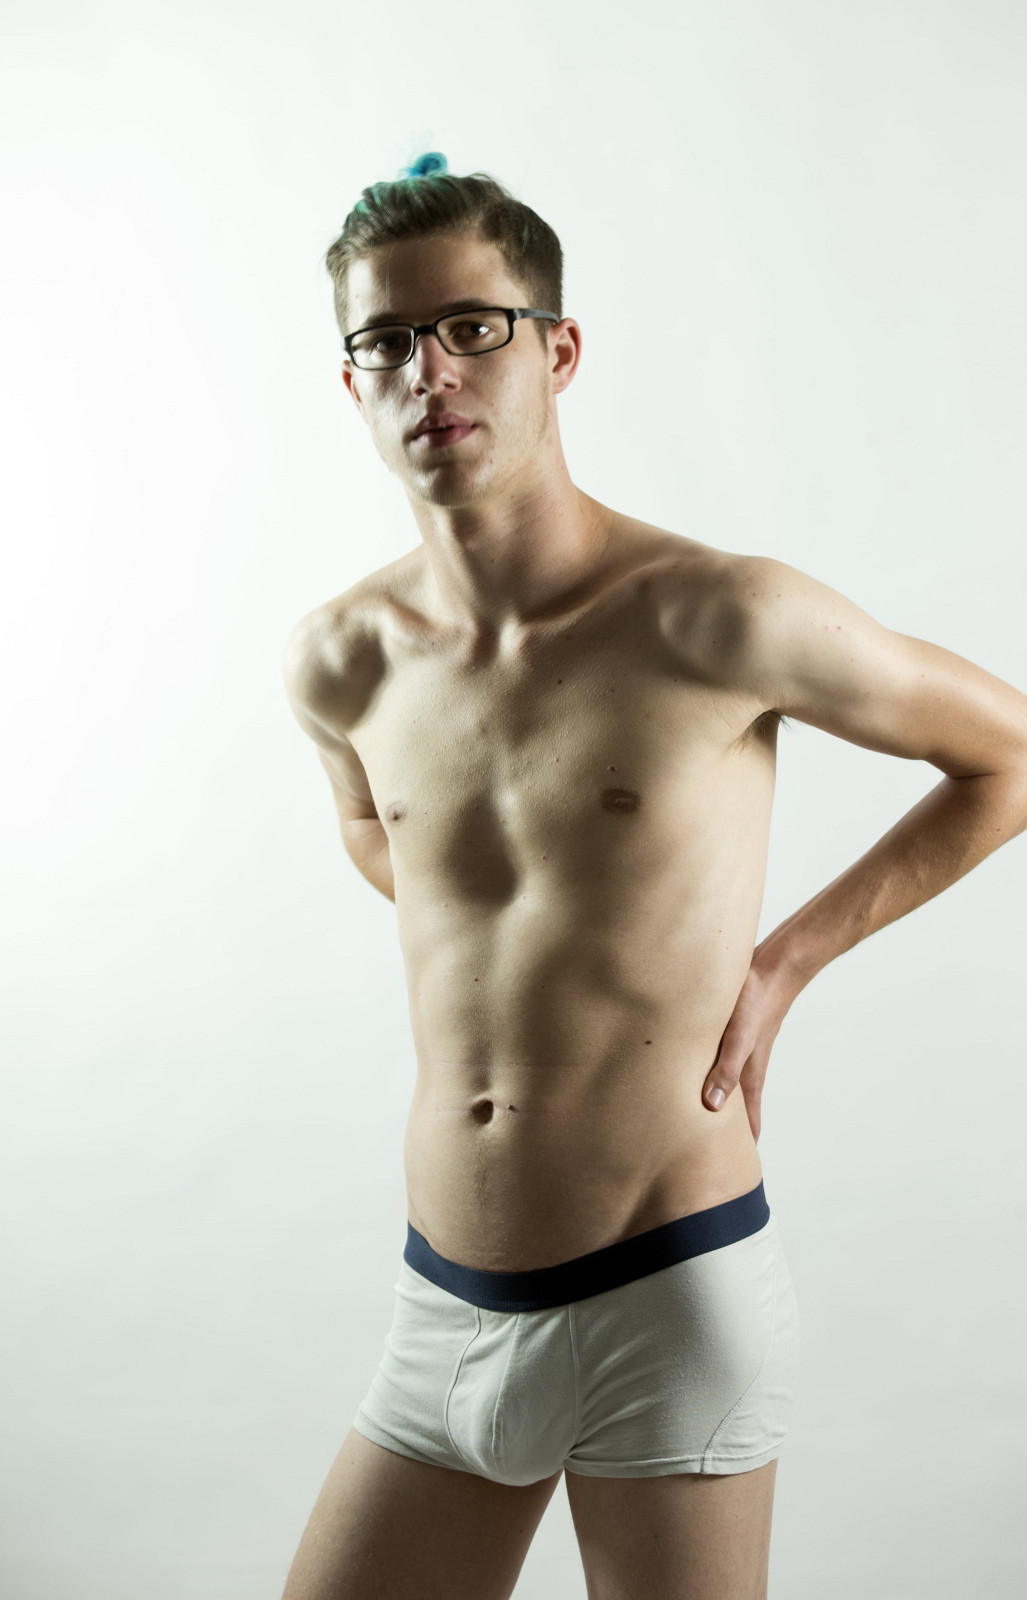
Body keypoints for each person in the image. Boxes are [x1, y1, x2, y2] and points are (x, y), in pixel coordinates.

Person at [279, 153, 1027, 1600]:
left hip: (666, 1294)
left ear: (558, 350)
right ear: (351, 381)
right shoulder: (340, 659)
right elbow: (384, 838)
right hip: (443, 1310)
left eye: (472, 327)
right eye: (386, 339)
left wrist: (782, 960)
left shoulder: (717, 614)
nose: (429, 370)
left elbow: (1009, 753)